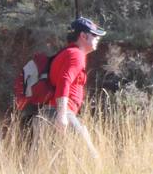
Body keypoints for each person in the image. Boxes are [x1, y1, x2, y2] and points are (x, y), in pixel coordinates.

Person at [40, 16, 106, 158]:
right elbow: (64, 81)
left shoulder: (67, 53)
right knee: (91, 158)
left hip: (49, 114)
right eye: (94, 35)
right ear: (83, 36)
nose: (97, 39)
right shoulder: (76, 55)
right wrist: (62, 116)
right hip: (60, 113)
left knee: (48, 164)